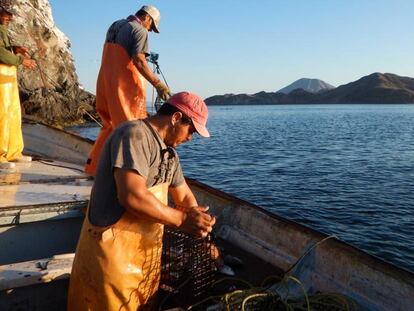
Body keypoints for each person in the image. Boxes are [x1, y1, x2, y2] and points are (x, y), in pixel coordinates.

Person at [68, 91, 215, 311]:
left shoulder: (169, 154)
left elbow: (183, 195)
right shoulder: (133, 134)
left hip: (144, 259)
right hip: (109, 260)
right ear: (176, 118)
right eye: (191, 130)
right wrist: (183, 219)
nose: (190, 138)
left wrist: (201, 227)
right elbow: (132, 196)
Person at [85, 5, 170, 176]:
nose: (150, 31)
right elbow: (138, 60)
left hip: (105, 83)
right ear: (147, 18)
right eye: (151, 27)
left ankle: (95, 169)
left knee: (109, 125)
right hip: (125, 88)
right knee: (131, 129)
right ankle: (127, 176)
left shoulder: (115, 25)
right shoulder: (140, 31)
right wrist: (158, 83)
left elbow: (120, 51)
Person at [0, 0, 36, 170]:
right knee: (1, 115)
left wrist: (15, 48)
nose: (10, 17)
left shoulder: (3, 30)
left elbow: (5, 49)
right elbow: (1, 54)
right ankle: (1, 155)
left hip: (7, 79)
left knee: (13, 114)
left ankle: (13, 153)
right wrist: (22, 60)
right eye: (6, 14)